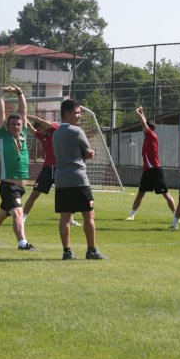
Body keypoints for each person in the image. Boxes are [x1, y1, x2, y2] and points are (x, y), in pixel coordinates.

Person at [53, 98, 108, 260]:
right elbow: (88, 152)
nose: (79, 116)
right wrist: (92, 153)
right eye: (77, 113)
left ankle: (67, 252)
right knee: (88, 215)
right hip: (77, 178)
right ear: (67, 114)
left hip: (61, 180)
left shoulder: (55, 134)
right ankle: (92, 251)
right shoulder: (77, 131)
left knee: (65, 217)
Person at [0, 85, 34, 251]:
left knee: (1, 214)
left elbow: (23, 111)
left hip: (20, 188)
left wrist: (20, 93)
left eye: (19, 124)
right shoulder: (2, 135)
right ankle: (23, 243)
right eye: (13, 124)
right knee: (18, 213)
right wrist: (1, 94)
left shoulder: (24, 135)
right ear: (7, 125)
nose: (17, 126)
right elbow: (0, 113)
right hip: (8, 186)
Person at [22, 114, 81, 227]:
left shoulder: (55, 131)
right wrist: (23, 117)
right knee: (35, 194)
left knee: (67, 194)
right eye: (38, 130)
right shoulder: (41, 136)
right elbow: (30, 127)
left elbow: (39, 120)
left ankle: (71, 220)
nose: (38, 131)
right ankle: (23, 217)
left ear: (45, 127)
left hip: (61, 168)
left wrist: (26, 114)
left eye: (40, 129)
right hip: (48, 169)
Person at [126, 106, 176, 220]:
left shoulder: (151, 135)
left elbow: (143, 123)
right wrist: (142, 112)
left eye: (145, 127)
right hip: (147, 171)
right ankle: (132, 215)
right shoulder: (148, 136)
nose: (143, 128)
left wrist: (137, 112)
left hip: (155, 170)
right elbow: (145, 122)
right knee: (140, 194)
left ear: (148, 128)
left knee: (166, 194)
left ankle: (176, 216)